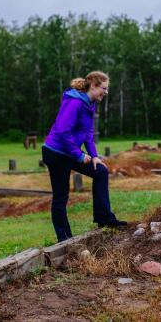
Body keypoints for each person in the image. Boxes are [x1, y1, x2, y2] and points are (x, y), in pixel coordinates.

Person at [42, 71, 127, 242]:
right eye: (104, 88)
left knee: (100, 171)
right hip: (56, 153)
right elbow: (63, 131)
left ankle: (104, 218)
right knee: (61, 196)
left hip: (69, 151)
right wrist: (79, 155)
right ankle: (64, 239)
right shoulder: (74, 103)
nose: (106, 92)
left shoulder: (91, 103)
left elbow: (87, 133)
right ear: (94, 86)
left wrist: (94, 156)